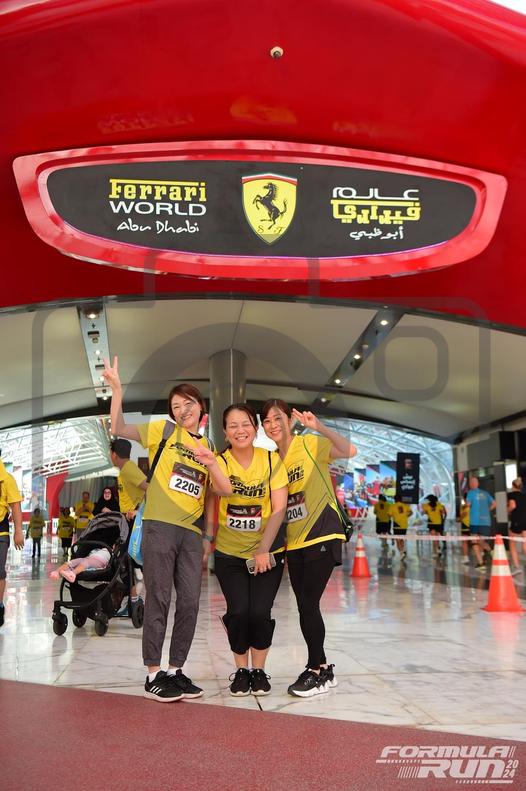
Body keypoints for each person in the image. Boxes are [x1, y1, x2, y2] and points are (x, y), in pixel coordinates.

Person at [102, 356, 232, 703]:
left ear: (200, 407)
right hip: (159, 526)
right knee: (159, 598)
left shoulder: (209, 447)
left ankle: (175, 670)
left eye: (187, 403)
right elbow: (119, 428)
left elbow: (217, 492)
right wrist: (117, 389)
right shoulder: (163, 431)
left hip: (191, 533)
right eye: (176, 406)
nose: (182, 410)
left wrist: (208, 534)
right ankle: (152, 673)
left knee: (189, 601)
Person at [261, 399, 357, 698]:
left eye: (278, 418)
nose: (273, 425)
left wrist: (320, 427)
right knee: (304, 604)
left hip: (322, 532)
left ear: (289, 420)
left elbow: (350, 451)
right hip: (295, 540)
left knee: (308, 603)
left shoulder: (309, 444)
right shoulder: (272, 460)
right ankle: (323, 668)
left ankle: (315, 670)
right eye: (267, 421)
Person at [214, 404, 288, 697]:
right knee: (239, 612)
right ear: (225, 432)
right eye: (232, 425)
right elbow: (216, 496)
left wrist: (264, 548)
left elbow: (279, 508)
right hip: (229, 553)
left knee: (259, 612)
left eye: (245, 424)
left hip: (268, 552)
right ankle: (241, 670)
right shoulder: (219, 462)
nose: (240, 430)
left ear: (255, 429)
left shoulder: (271, 460)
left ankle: (258, 670)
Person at [110, 437, 149, 610]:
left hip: (135, 523)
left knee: (133, 562)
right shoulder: (125, 470)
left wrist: (138, 510)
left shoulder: (129, 469)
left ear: (114, 455)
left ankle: (134, 602)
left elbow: (149, 488)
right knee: (127, 562)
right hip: (127, 522)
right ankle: (131, 600)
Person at [0, 457, 24, 627]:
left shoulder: (7, 479)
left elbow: (15, 506)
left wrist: (18, 531)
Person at [465, 476, 496, 572]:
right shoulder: (485, 493)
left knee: (474, 541)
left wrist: (466, 504)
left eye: (471, 483)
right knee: (481, 541)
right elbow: (494, 503)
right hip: (486, 521)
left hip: (475, 521)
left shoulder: (470, 493)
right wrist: (487, 510)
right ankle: (491, 552)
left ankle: (481, 563)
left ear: (471, 484)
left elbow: (468, 505)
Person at [507, 477, 526, 573]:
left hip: (517, 520)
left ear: (513, 486)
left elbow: (512, 506)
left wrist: (508, 510)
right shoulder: (524, 496)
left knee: (512, 543)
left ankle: (517, 567)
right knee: (525, 544)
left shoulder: (511, 495)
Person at [422, 494, 447, 559]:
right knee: (436, 538)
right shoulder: (438, 504)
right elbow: (442, 512)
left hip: (433, 523)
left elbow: (424, 512)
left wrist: (429, 513)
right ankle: (437, 550)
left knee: (434, 538)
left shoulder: (426, 505)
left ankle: (436, 551)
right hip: (437, 523)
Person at [458, 498, 471, 565]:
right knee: (476, 541)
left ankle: (466, 558)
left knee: (465, 542)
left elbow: (461, 517)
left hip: (466, 526)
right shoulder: (463, 507)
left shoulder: (465, 508)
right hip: (470, 525)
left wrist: (459, 519)